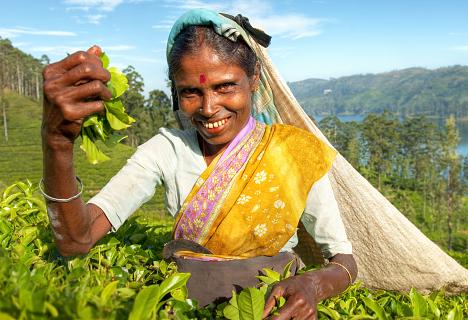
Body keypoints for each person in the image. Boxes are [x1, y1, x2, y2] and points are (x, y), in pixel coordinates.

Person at [41, 8, 357, 319]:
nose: (208, 109)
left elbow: (343, 260)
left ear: (254, 79)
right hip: (182, 310)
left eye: (225, 87)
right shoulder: (167, 150)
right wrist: (57, 141)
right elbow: (76, 240)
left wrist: (312, 286)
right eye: (191, 92)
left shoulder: (296, 153)